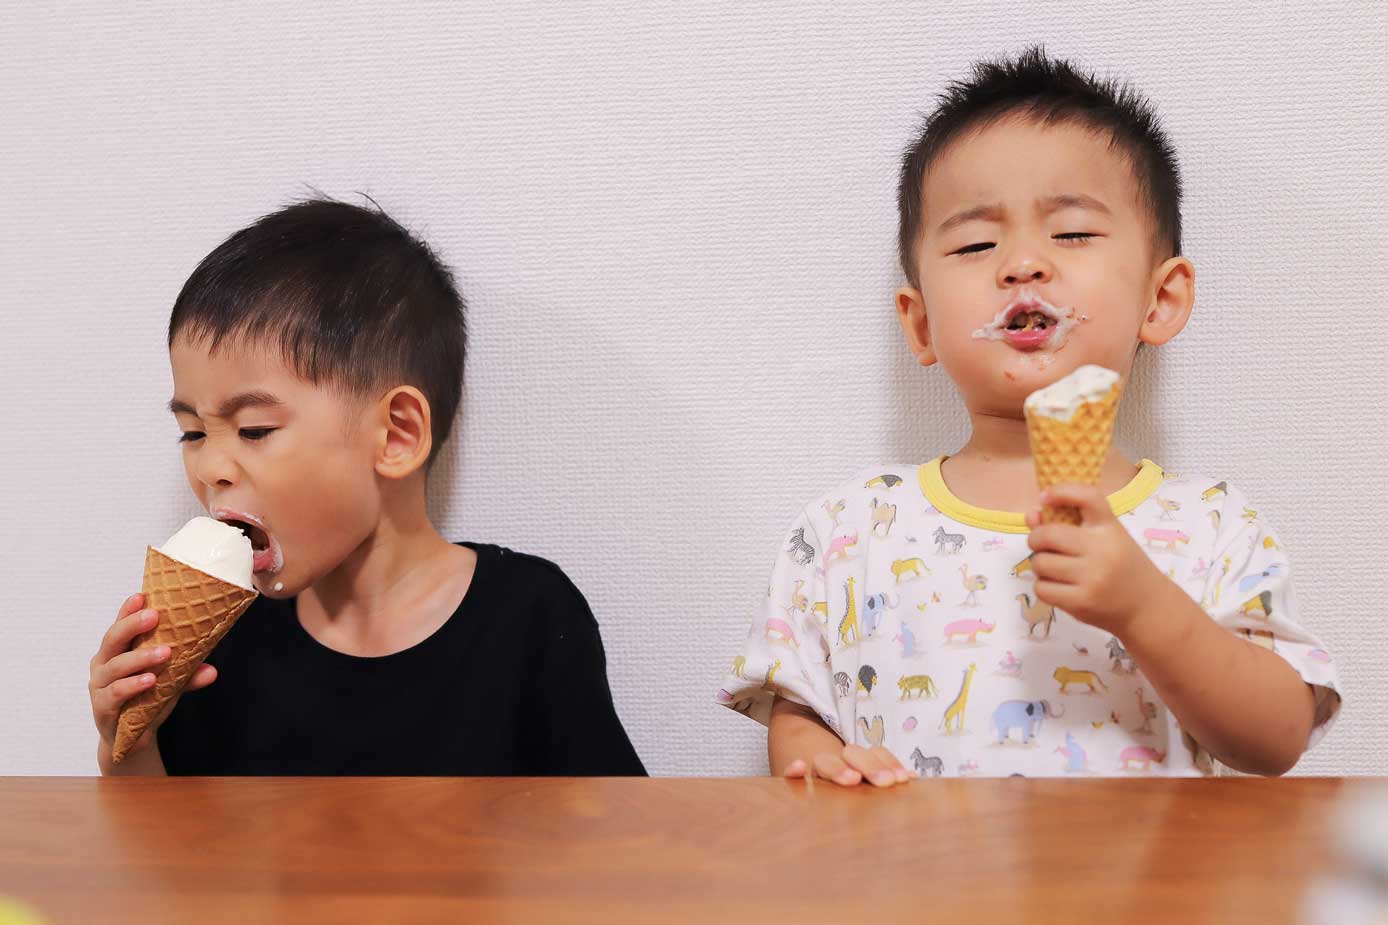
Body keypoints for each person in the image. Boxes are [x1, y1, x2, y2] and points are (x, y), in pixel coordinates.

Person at [716, 45, 1340, 783]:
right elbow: (800, 718)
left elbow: (1277, 739)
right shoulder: (846, 530)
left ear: (1160, 299)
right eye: (977, 242)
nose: (1022, 264)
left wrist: (1145, 607)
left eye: (1071, 232)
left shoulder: (1210, 524)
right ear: (921, 325)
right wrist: (821, 763)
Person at [89, 198, 646, 776]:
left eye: (254, 429)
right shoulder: (224, 641)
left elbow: (611, 843)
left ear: (397, 435)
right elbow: (174, 854)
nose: (209, 468)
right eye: (193, 433)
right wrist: (130, 744)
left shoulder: (528, 617)